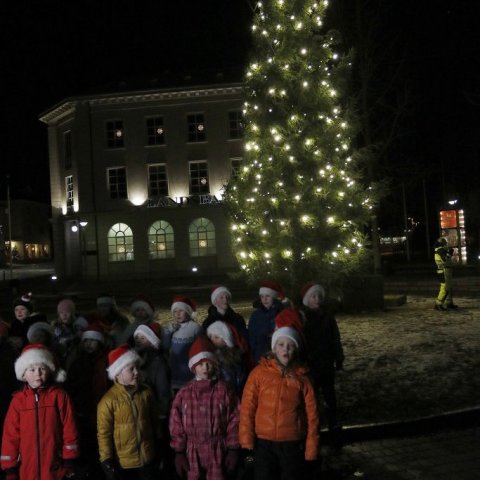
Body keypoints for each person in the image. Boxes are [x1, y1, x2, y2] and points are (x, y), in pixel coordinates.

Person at [239, 325, 319, 480]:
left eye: (290, 346)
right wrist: (246, 441)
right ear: (274, 348)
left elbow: (312, 416)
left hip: (291, 443)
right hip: (263, 442)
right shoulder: (258, 374)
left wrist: (311, 450)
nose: (286, 349)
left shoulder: (303, 379)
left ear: (296, 350)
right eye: (281, 344)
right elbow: (248, 407)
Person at [1, 343, 79, 480]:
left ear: (49, 370)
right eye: (31, 369)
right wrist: (10, 468)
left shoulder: (59, 396)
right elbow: (10, 435)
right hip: (27, 469)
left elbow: (69, 427)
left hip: (55, 467)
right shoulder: (18, 401)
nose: (37, 373)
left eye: (42, 368)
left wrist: (69, 459)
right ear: (23, 374)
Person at [169, 336, 240, 480]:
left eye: (209, 363)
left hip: (217, 449)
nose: (205, 368)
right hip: (192, 450)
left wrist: (233, 448)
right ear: (194, 367)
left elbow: (235, 417)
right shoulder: (185, 392)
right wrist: (179, 451)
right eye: (201, 364)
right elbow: (176, 421)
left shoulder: (224, 390)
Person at [97, 344, 161, 480]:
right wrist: (106, 459)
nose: (137, 372)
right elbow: (104, 433)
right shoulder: (108, 401)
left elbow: (155, 421)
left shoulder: (146, 393)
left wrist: (159, 443)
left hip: (147, 458)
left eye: (137, 367)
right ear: (118, 372)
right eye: (131, 369)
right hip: (124, 463)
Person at [299, 283, 344, 439]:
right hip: (311, 364)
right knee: (312, 397)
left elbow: (335, 337)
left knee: (330, 395)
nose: (316, 299)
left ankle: (333, 422)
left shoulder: (327, 316)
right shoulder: (303, 317)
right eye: (313, 296)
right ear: (307, 300)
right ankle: (314, 425)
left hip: (326, 362)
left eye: (318, 296)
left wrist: (338, 356)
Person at [66, 323, 110, 478]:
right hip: (84, 411)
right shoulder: (77, 363)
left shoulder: (107, 361)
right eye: (86, 341)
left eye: (93, 340)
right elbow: (72, 386)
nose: (89, 344)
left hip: (103, 410)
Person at [163, 295, 202, 392]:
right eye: (175, 311)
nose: (178, 314)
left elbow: (201, 347)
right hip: (175, 369)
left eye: (181, 311)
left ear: (188, 312)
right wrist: (168, 332)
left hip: (189, 370)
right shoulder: (172, 327)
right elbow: (165, 346)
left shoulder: (195, 328)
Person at [133, 322, 171, 418]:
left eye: (143, 338)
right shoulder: (137, 357)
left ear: (152, 340)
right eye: (137, 338)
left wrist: (162, 411)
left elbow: (163, 388)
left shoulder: (158, 362)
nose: (138, 341)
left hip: (153, 407)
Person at [248, 280, 287, 363]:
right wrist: (253, 351)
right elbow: (251, 335)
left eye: (267, 296)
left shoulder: (282, 313)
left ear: (274, 296)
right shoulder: (256, 315)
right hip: (260, 354)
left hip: (278, 354)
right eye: (262, 296)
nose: (264, 299)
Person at [207, 320, 248, 397]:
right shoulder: (211, 355)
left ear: (226, 339)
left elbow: (240, 378)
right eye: (210, 336)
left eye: (216, 337)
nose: (212, 340)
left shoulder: (234, 357)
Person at [434, 237, 458, 310]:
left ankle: (449, 303)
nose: (447, 245)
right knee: (444, 288)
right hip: (443, 271)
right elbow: (445, 259)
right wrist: (450, 253)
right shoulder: (441, 250)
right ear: (442, 244)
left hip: (445, 270)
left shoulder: (440, 250)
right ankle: (438, 304)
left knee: (449, 287)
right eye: (446, 243)